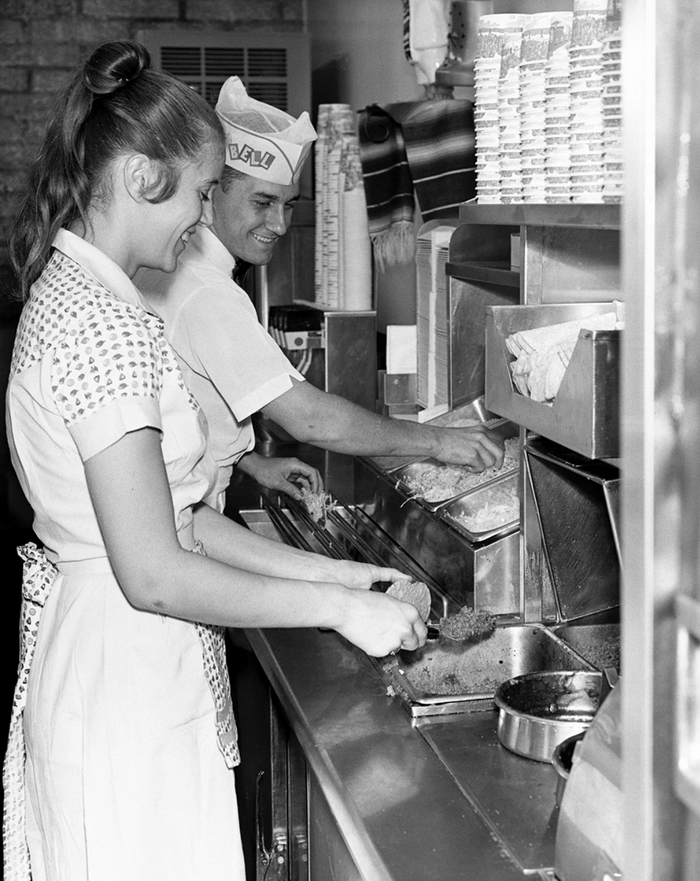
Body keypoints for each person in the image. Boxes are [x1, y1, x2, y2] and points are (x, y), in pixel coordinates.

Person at [3, 40, 427, 881]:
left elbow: (184, 515)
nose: (203, 222)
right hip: (125, 682)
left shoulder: (81, 292)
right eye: (200, 195)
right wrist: (339, 616)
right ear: (137, 177)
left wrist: (335, 583)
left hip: (122, 669)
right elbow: (156, 571)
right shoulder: (105, 326)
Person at [137, 77, 505, 514]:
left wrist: (248, 463)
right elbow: (309, 418)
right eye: (263, 202)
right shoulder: (205, 292)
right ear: (212, 193)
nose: (279, 224)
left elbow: (186, 406)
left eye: (289, 204)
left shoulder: (193, 272)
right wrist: (441, 440)